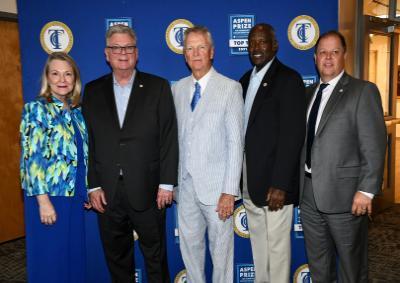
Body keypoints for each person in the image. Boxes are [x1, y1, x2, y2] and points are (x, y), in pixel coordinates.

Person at [82, 24, 178, 282]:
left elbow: (169, 138)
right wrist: (93, 186)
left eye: (128, 47)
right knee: (117, 259)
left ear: (136, 52)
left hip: (149, 190)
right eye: (116, 47)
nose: (122, 52)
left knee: (155, 258)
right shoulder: (91, 91)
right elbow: (87, 143)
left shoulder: (158, 87)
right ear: (106, 53)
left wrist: (167, 183)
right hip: (107, 193)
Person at [300, 30, 387, 283]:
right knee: (318, 265)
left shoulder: (362, 91)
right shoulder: (308, 94)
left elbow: (374, 144)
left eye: (334, 52)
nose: (328, 58)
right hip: (308, 194)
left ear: (344, 56)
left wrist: (367, 191)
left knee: (352, 267)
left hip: (347, 198)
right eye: (323, 52)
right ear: (315, 58)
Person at [172, 26, 244, 282]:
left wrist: (229, 191)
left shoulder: (230, 88)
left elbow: (236, 143)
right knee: (190, 252)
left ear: (211, 52)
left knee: (221, 254)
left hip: (217, 191)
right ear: (184, 55)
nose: (195, 53)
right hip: (185, 188)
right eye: (190, 48)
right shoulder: (178, 89)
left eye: (201, 47)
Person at [240, 23, 306, 283]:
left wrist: (280, 183)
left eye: (262, 42)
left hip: (274, 185)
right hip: (249, 181)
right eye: (252, 43)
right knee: (259, 248)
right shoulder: (245, 80)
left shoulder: (289, 79)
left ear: (275, 46)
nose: (256, 47)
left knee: (278, 250)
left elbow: (292, 136)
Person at [20, 52, 88, 283]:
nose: (62, 79)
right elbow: (32, 158)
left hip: (74, 196)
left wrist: (85, 189)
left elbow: (81, 155)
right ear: (47, 78)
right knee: (51, 262)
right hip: (50, 198)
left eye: (68, 74)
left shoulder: (77, 112)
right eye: (56, 73)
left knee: (72, 258)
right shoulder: (37, 108)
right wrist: (43, 201)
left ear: (75, 79)